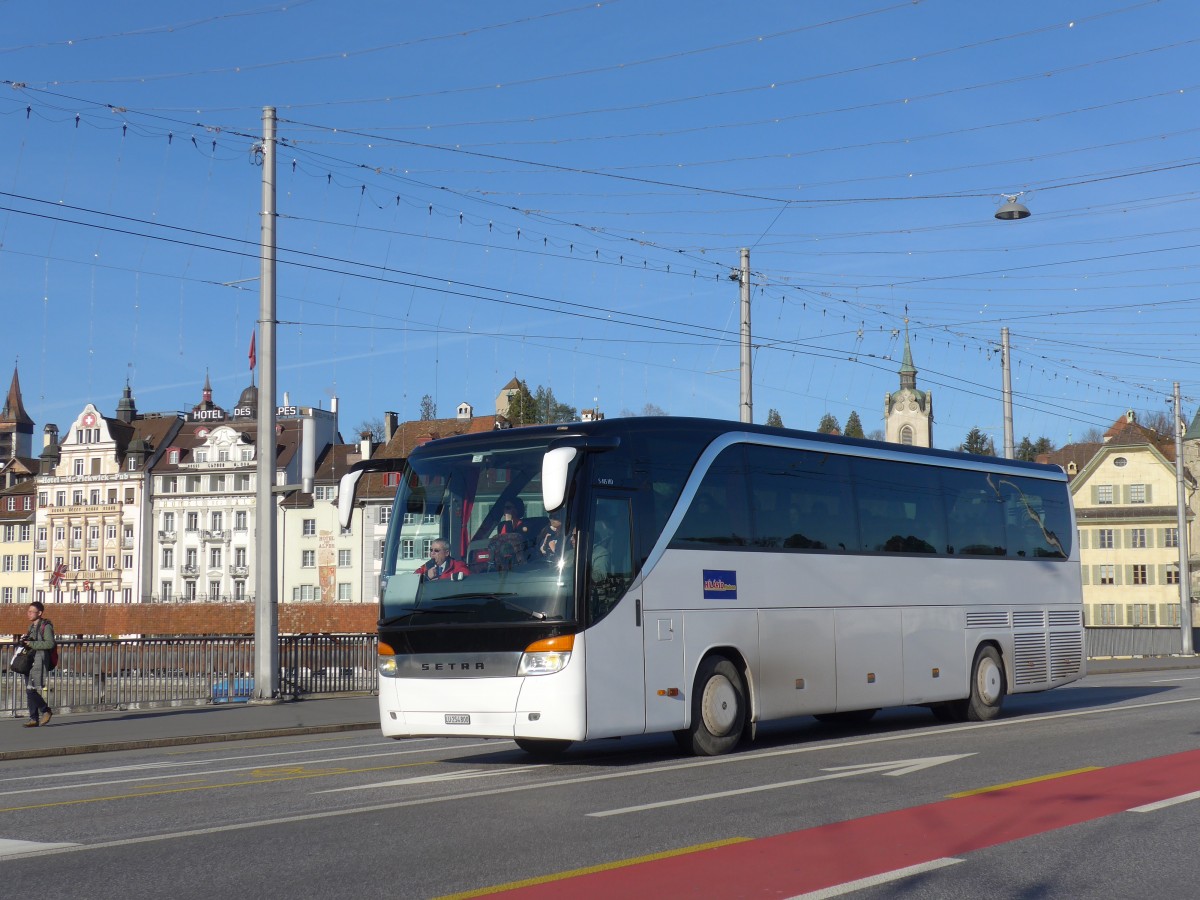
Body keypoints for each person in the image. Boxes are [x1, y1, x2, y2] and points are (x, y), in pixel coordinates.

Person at [18, 601, 55, 728]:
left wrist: (32, 644)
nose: (28, 614)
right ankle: (33, 718)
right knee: (29, 689)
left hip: (39, 661)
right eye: (28, 611)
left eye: (31, 611)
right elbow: (31, 642)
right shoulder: (31, 627)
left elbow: (50, 643)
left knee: (30, 690)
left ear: (39, 613)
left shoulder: (46, 626)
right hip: (30, 660)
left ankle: (46, 710)